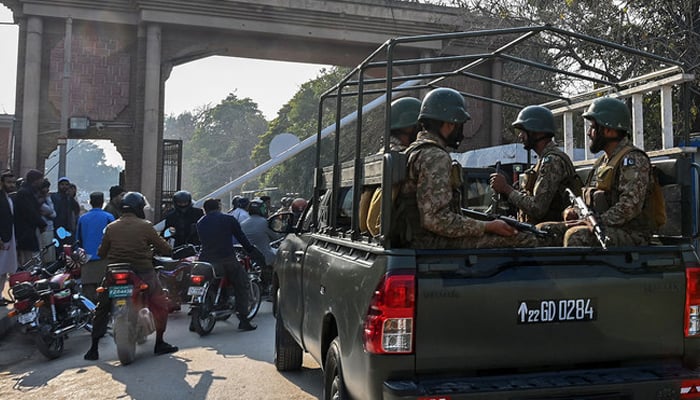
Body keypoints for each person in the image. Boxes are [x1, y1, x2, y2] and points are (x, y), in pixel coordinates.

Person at [393, 87, 537, 249]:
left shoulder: (414, 150)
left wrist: (484, 222)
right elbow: (435, 219)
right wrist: (486, 226)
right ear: (449, 124)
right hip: (430, 242)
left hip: (418, 238)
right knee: (526, 240)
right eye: (460, 125)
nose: (460, 131)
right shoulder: (435, 156)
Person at [539, 97, 653, 247]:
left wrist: (594, 221)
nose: (588, 133)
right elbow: (585, 198)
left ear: (609, 130)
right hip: (601, 224)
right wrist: (572, 211)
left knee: (576, 236)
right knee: (544, 231)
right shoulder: (602, 162)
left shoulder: (633, 159)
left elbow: (629, 207)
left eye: (593, 127)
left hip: (632, 234)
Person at [84, 192, 177, 360]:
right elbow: (165, 248)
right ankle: (160, 343)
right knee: (160, 303)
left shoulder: (112, 227)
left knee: (102, 307)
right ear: (138, 208)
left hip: (114, 271)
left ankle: (93, 348)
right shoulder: (146, 225)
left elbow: (101, 252)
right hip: (142, 270)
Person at [489, 105, 580, 224]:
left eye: (523, 131)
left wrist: (506, 189)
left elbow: (537, 208)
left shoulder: (552, 161)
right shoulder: (542, 160)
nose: (520, 136)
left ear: (536, 131)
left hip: (549, 231)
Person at [197, 198, 266, 331]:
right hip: (226, 259)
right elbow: (241, 237)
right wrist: (251, 250)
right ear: (219, 207)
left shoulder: (201, 222)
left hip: (204, 260)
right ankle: (244, 319)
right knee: (243, 283)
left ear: (205, 209)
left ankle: (195, 320)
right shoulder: (228, 220)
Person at [363, 97, 422, 235]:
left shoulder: (383, 154)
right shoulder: (402, 158)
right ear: (409, 126)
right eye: (419, 125)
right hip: (402, 235)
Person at [76, 192, 115, 301]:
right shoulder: (108, 217)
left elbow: (78, 240)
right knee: (105, 291)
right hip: (105, 259)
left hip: (87, 260)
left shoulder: (82, 218)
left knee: (88, 294)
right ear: (102, 202)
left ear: (90, 202)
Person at [14, 169, 47, 265]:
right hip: (25, 231)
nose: (42, 182)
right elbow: (30, 212)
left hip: (29, 230)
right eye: (41, 179)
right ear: (35, 180)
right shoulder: (24, 193)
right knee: (27, 260)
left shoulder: (29, 192)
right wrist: (41, 223)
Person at [0, 171, 18, 306]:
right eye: (9, 182)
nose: (11, 185)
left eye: (13, 183)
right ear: (2, 183)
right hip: (2, 239)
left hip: (8, 238)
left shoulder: (8, 198)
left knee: (3, 270)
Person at [37, 179, 57, 263]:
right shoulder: (39, 200)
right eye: (46, 188)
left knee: (50, 253)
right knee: (45, 253)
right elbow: (50, 211)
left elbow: (53, 214)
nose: (48, 190)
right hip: (43, 229)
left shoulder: (46, 199)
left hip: (49, 228)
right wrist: (48, 198)